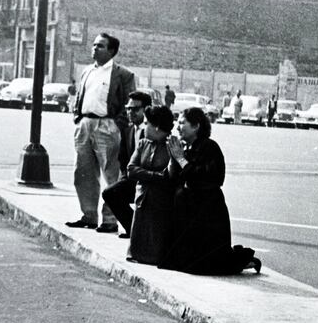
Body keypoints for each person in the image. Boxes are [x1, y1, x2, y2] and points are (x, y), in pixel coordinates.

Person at [159, 107, 261, 275]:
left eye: (182, 123)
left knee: (206, 265)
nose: (178, 127)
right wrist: (174, 157)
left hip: (207, 214)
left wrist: (181, 159)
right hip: (190, 213)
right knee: (176, 261)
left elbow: (209, 178)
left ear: (196, 126)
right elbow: (174, 178)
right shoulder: (188, 149)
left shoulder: (210, 147)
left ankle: (246, 260)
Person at [65, 33, 136, 233]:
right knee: (83, 172)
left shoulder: (122, 74)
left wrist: (116, 124)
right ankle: (88, 215)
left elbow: (128, 103)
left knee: (111, 173)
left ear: (112, 51)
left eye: (101, 46)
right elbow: (80, 95)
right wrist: (77, 116)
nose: (95, 49)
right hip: (85, 124)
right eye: (94, 45)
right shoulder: (87, 71)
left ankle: (110, 219)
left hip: (107, 125)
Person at [126, 105, 177, 265]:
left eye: (147, 123)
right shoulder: (143, 144)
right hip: (142, 197)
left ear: (156, 126)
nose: (144, 126)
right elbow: (131, 169)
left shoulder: (172, 146)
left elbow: (170, 176)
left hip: (162, 200)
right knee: (139, 233)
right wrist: (156, 175)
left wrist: (147, 175)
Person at [101, 90, 152, 238]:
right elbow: (123, 159)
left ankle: (138, 230)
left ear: (146, 110)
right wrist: (125, 178)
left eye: (135, 109)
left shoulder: (151, 130)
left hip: (148, 179)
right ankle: (133, 228)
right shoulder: (127, 130)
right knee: (110, 193)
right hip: (131, 178)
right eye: (128, 108)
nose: (130, 112)